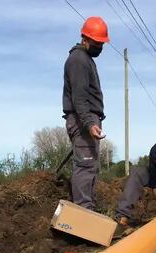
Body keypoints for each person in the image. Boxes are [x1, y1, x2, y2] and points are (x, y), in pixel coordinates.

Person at [62, 16, 109, 210]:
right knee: (85, 166)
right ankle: (83, 216)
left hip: (87, 119)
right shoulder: (79, 60)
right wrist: (89, 124)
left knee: (89, 167)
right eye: (97, 43)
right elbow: (79, 98)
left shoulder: (85, 59)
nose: (100, 47)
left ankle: (88, 214)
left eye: (102, 43)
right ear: (85, 39)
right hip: (83, 120)